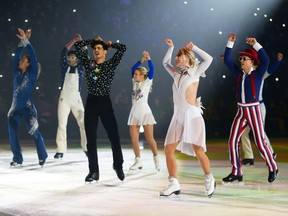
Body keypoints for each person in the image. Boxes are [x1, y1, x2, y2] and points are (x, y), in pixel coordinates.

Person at [160, 38, 215, 198]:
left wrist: (195, 47)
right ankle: (173, 183)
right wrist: (171, 48)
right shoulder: (177, 74)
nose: (176, 58)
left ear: (188, 58)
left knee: (198, 150)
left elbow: (209, 59)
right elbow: (165, 63)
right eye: (176, 55)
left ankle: (209, 178)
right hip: (178, 116)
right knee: (168, 149)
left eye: (179, 55)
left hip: (192, 116)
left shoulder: (196, 71)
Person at [222, 33, 278, 183]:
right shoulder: (239, 74)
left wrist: (256, 44)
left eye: (244, 59)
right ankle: (236, 171)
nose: (241, 61)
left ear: (252, 62)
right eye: (240, 59)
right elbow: (227, 60)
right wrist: (229, 43)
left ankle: (273, 166)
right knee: (232, 140)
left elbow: (266, 59)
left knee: (260, 141)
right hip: (241, 111)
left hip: (253, 110)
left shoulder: (258, 74)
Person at [74, 36, 126, 182]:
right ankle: (94, 172)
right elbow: (78, 46)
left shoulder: (110, 64)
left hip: (105, 102)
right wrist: (92, 41)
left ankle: (118, 165)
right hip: (91, 102)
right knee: (91, 138)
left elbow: (123, 48)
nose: (96, 50)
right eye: (94, 49)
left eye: (99, 48)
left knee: (114, 136)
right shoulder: (88, 63)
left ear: (104, 52)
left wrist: (110, 44)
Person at [8, 28, 48, 167]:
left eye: (23, 60)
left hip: (27, 108)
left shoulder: (31, 75)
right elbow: (15, 57)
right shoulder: (16, 72)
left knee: (34, 132)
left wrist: (27, 41)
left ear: (28, 63)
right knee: (12, 134)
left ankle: (42, 156)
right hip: (14, 108)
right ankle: (17, 159)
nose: (20, 61)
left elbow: (33, 55)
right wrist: (21, 42)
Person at [241, 52, 283, 166]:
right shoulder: (244, 76)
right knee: (243, 132)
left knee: (259, 132)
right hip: (247, 108)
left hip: (259, 107)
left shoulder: (260, 75)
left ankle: (271, 153)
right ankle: (249, 156)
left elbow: (271, 70)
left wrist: (278, 61)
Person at [54, 35, 87, 159]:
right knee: (62, 124)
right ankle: (60, 150)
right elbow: (63, 52)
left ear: (77, 59)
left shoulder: (81, 68)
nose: (70, 59)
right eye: (69, 57)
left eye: (72, 57)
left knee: (83, 123)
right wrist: (73, 41)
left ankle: (87, 148)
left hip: (76, 98)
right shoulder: (64, 67)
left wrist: (81, 42)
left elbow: (85, 53)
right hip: (64, 98)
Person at [128, 51, 160, 172]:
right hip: (134, 112)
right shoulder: (134, 82)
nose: (134, 76)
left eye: (137, 74)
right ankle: (138, 160)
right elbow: (132, 68)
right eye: (135, 74)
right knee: (134, 139)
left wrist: (149, 59)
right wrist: (141, 60)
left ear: (142, 76)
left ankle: (156, 157)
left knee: (150, 138)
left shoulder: (147, 82)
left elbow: (152, 70)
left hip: (145, 112)